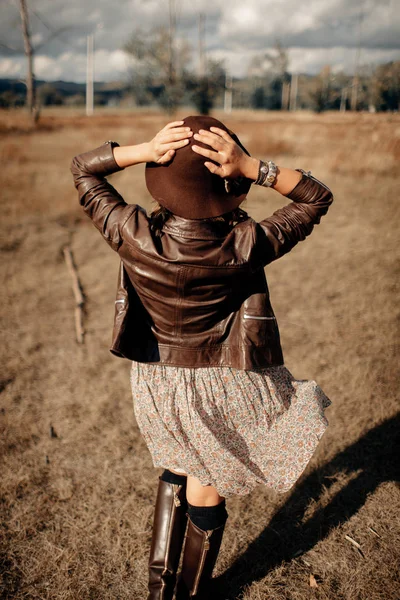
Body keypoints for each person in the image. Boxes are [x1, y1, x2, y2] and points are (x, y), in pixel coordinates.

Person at [71, 115, 333, 600]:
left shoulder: (131, 232)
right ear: (228, 184)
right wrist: (254, 167)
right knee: (205, 483)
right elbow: (317, 196)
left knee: (177, 464)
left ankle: (160, 590)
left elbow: (83, 171)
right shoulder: (247, 242)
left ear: (161, 175)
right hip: (221, 379)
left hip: (156, 379)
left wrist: (143, 150)